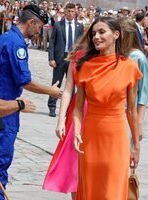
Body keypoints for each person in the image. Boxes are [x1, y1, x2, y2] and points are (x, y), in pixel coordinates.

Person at [0, 5, 62, 199]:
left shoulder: (4, 38)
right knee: (1, 164)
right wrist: (50, 90)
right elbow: (24, 80)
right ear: (31, 23)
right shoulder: (17, 44)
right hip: (5, 111)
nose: (39, 31)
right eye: (39, 26)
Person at [73, 16, 142, 199]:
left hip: (116, 137)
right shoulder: (85, 66)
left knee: (112, 189)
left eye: (102, 32)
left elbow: (131, 110)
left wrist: (135, 144)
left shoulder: (130, 67)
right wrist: (77, 132)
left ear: (116, 35)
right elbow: (78, 107)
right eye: (94, 33)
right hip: (90, 137)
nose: (96, 36)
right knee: (90, 188)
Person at [43, 36, 87, 200]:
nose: (97, 37)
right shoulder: (78, 56)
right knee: (73, 161)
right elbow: (68, 87)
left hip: (97, 111)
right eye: (94, 33)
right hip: (77, 109)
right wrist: (61, 120)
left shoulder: (109, 59)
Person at [47, 3, 84, 117]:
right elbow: (52, 42)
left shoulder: (79, 26)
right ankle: (52, 107)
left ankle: (69, 108)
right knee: (56, 82)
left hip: (73, 58)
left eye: (73, 11)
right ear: (65, 12)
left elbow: (81, 43)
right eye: (69, 11)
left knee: (71, 84)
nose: (71, 13)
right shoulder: (58, 25)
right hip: (60, 57)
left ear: (75, 12)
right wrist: (51, 58)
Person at [118, 17, 148, 141]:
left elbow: (143, 94)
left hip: (130, 113)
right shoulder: (114, 54)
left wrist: (139, 124)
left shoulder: (139, 58)